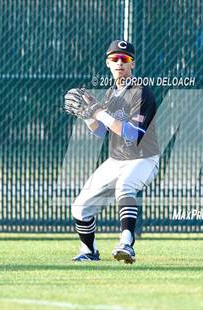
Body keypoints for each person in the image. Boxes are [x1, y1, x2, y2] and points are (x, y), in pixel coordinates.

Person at [69, 40, 159, 263]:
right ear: (108, 63)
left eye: (125, 59)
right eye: (115, 59)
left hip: (143, 158)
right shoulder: (111, 93)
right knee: (80, 207)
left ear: (132, 64)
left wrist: (97, 111)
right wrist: (87, 115)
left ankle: (126, 243)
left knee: (125, 186)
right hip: (116, 159)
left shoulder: (141, 92)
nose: (120, 63)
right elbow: (101, 132)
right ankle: (89, 251)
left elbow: (132, 134)